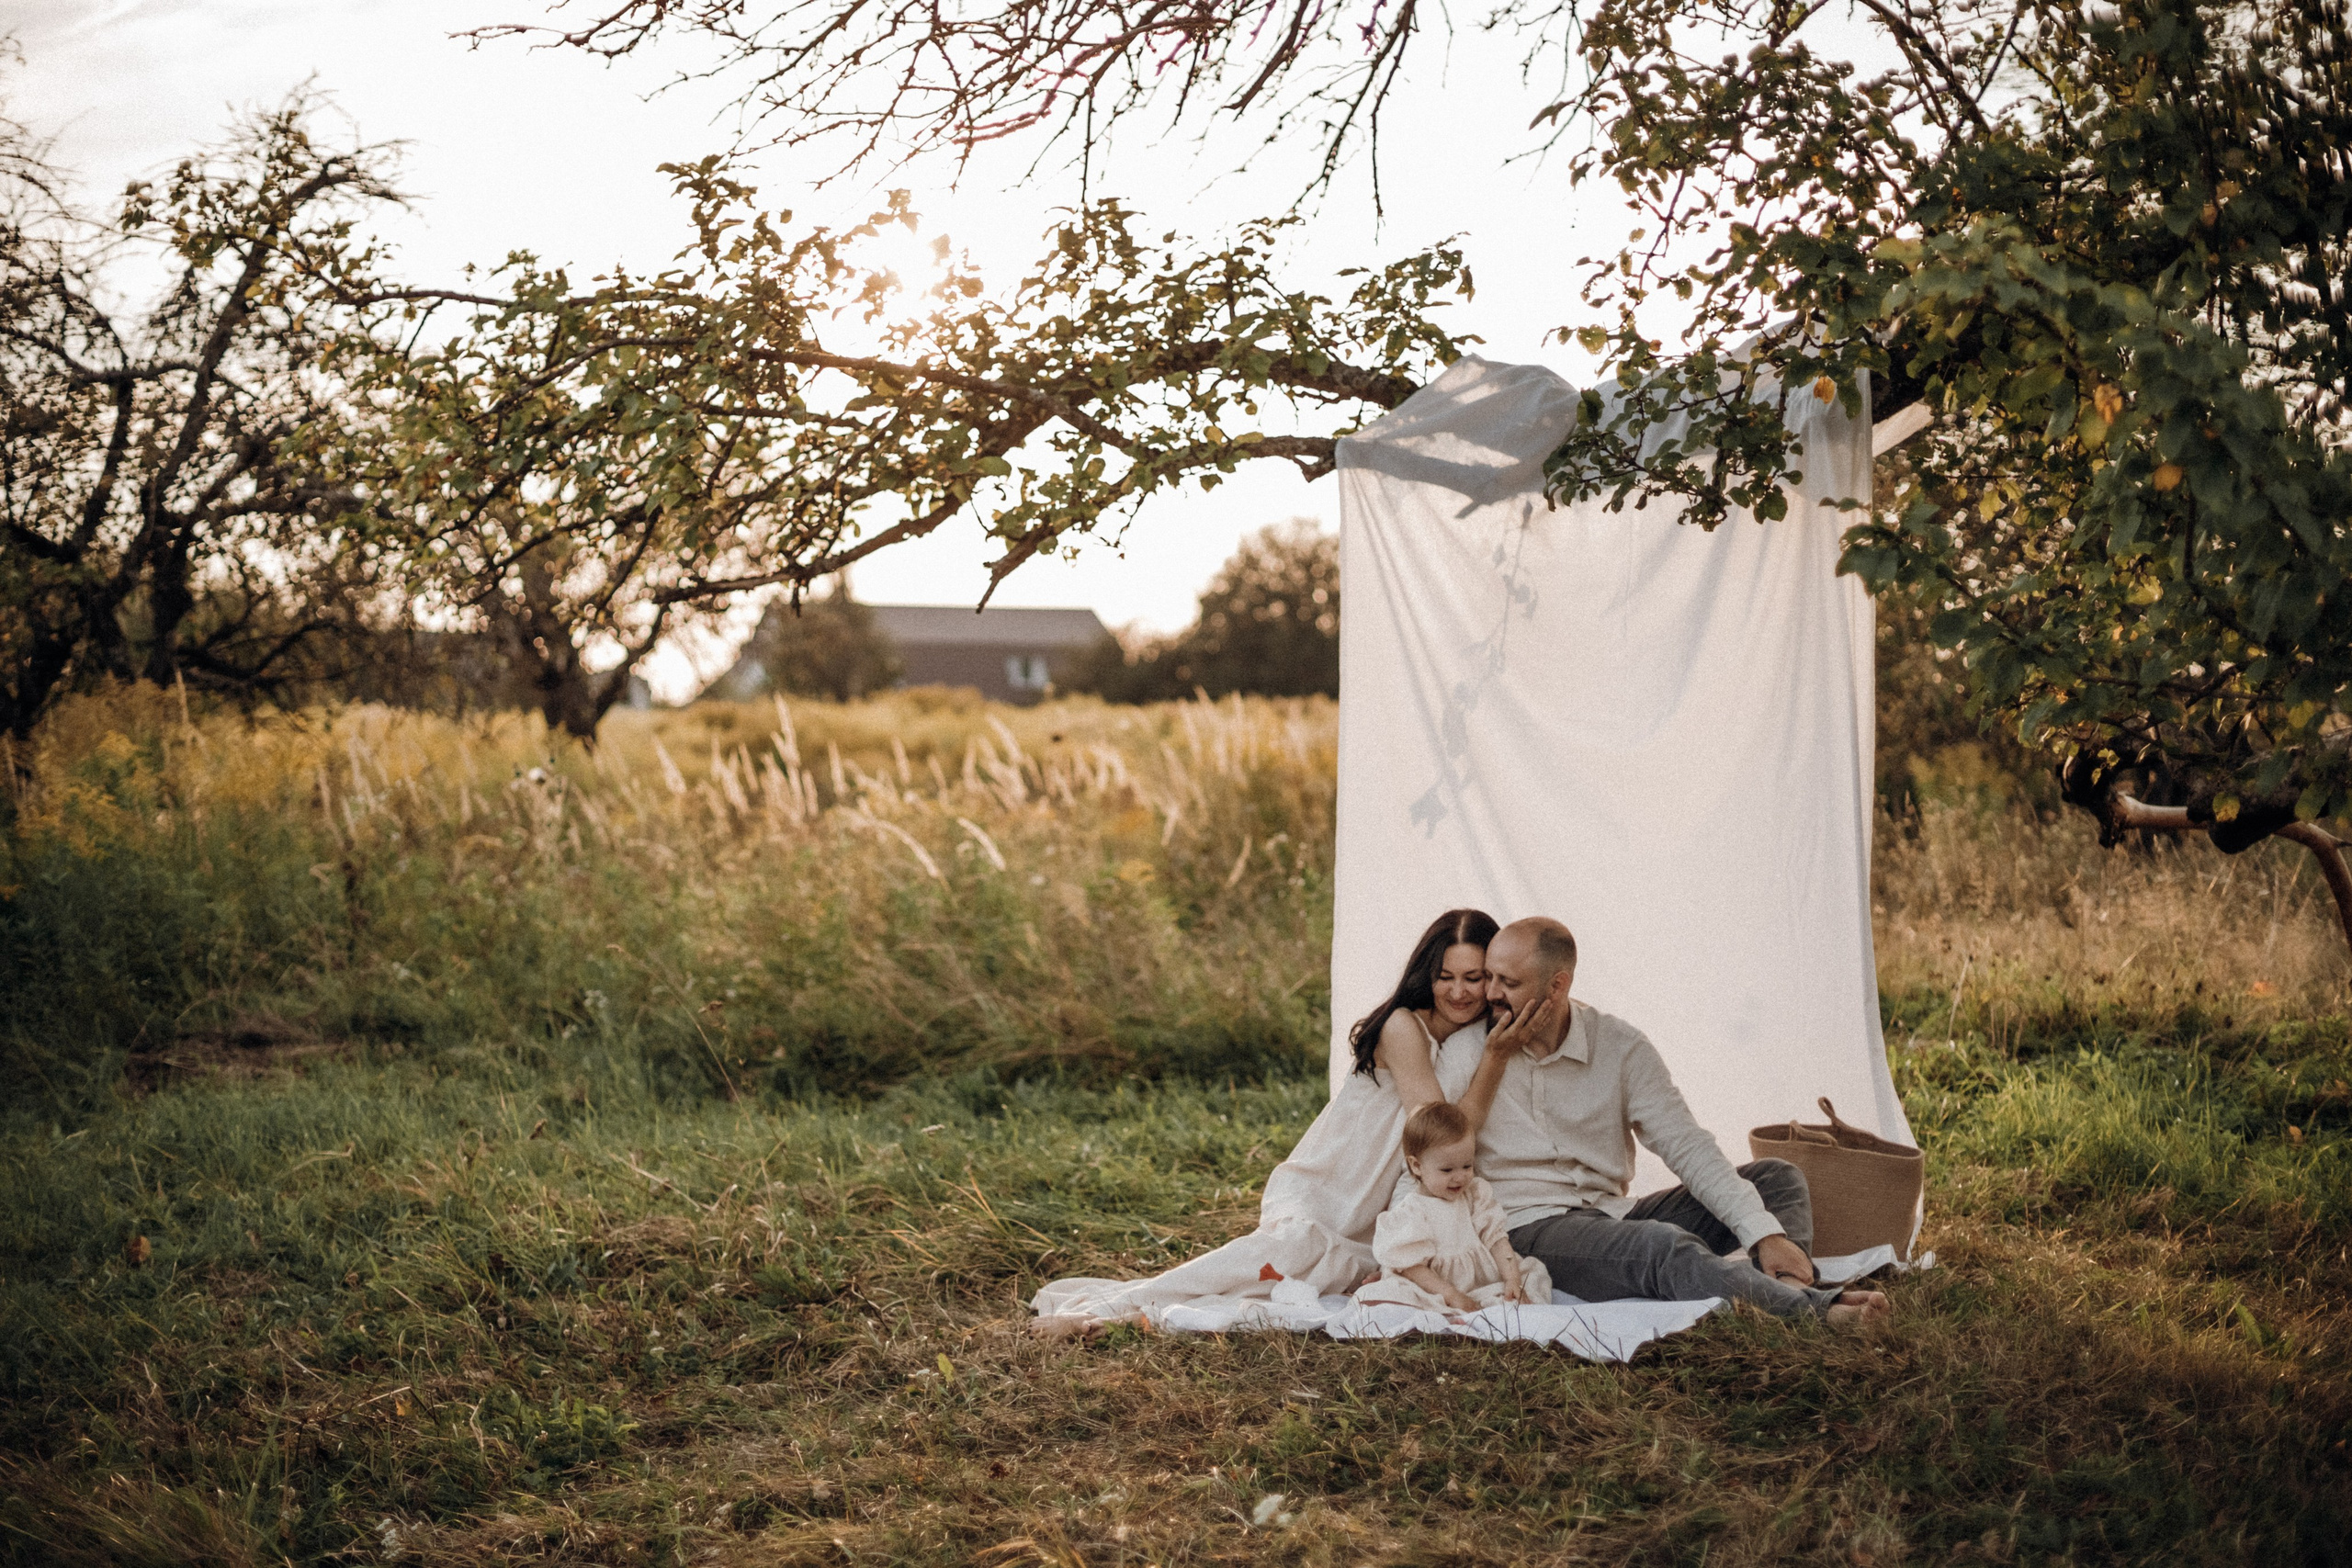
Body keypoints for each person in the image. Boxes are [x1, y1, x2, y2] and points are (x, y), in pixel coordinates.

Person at [1031, 908, 1541, 1332]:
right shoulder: (1403, 1027)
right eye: (1445, 977)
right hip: (1329, 1189)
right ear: (1424, 976)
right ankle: (1109, 1310)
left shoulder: (1470, 1040)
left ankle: (1140, 1315)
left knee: (1278, 1288)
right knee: (1277, 1257)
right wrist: (1496, 1057)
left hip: (1375, 1217)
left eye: (1474, 978)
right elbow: (1439, 1128)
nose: (1459, 992)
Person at [1476, 916, 1892, 1326]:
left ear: (1557, 985)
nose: (1490, 993)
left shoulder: (1619, 1046)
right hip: (1530, 1227)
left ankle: (1783, 1286)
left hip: (1613, 1213)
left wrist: (1765, 1234)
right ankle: (1814, 1312)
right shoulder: (1470, 1048)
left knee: (1777, 1179)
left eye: (1508, 983)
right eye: (1489, 977)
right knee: (1661, 1246)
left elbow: (1687, 1145)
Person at [1356, 1100, 1550, 1314]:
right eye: (1447, 1170)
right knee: (1394, 1297)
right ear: (1417, 1166)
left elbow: (1497, 1240)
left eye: (1467, 1166)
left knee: (1523, 1289)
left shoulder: (1474, 1196)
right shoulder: (1412, 1212)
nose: (1460, 1177)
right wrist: (1451, 1295)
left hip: (1480, 1282)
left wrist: (1512, 1279)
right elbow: (1413, 1269)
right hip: (1435, 1287)